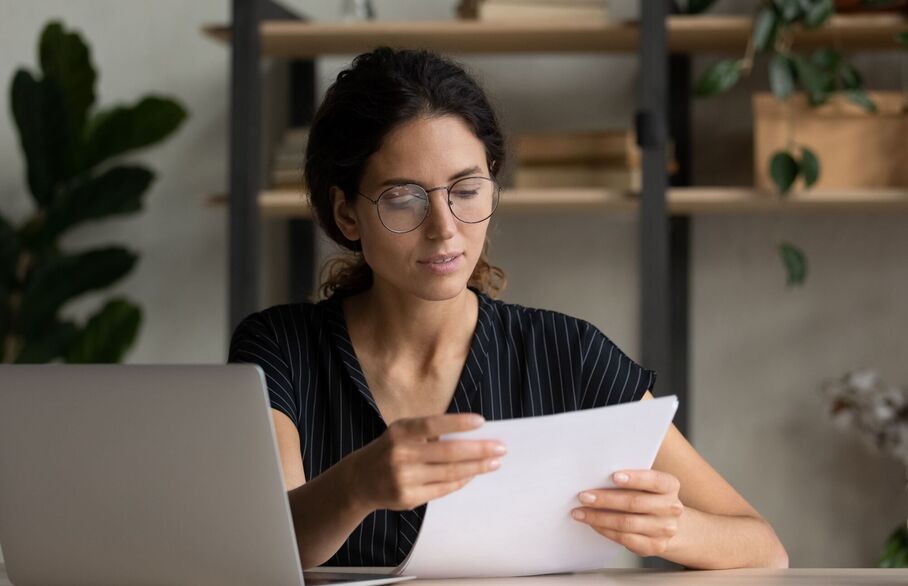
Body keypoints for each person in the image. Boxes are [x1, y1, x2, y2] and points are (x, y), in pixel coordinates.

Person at [228, 47, 788, 571]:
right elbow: (264, 555)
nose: (445, 229)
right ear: (347, 214)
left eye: (467, 190)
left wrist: (673, 529)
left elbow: (764, 548)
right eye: (404, 198)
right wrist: (355, 486)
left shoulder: (566, 352)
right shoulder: (279, 349)